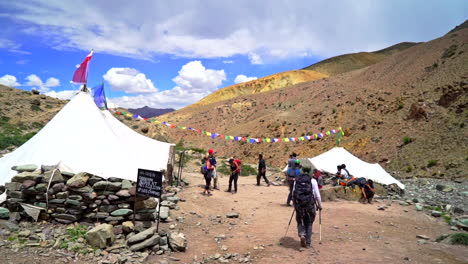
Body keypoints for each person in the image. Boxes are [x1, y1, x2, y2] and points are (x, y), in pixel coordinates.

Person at [293, 166, 322, 248]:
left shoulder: (297, 180)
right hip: (309, 204)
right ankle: (308, 242)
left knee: (300, 220)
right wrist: (320, 205)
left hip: (299, 204)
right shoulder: (313, 181)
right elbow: (317, 195)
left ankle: (302, 234)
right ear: (310, 171)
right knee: (309, 223)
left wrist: (295, 204)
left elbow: (293, 193)